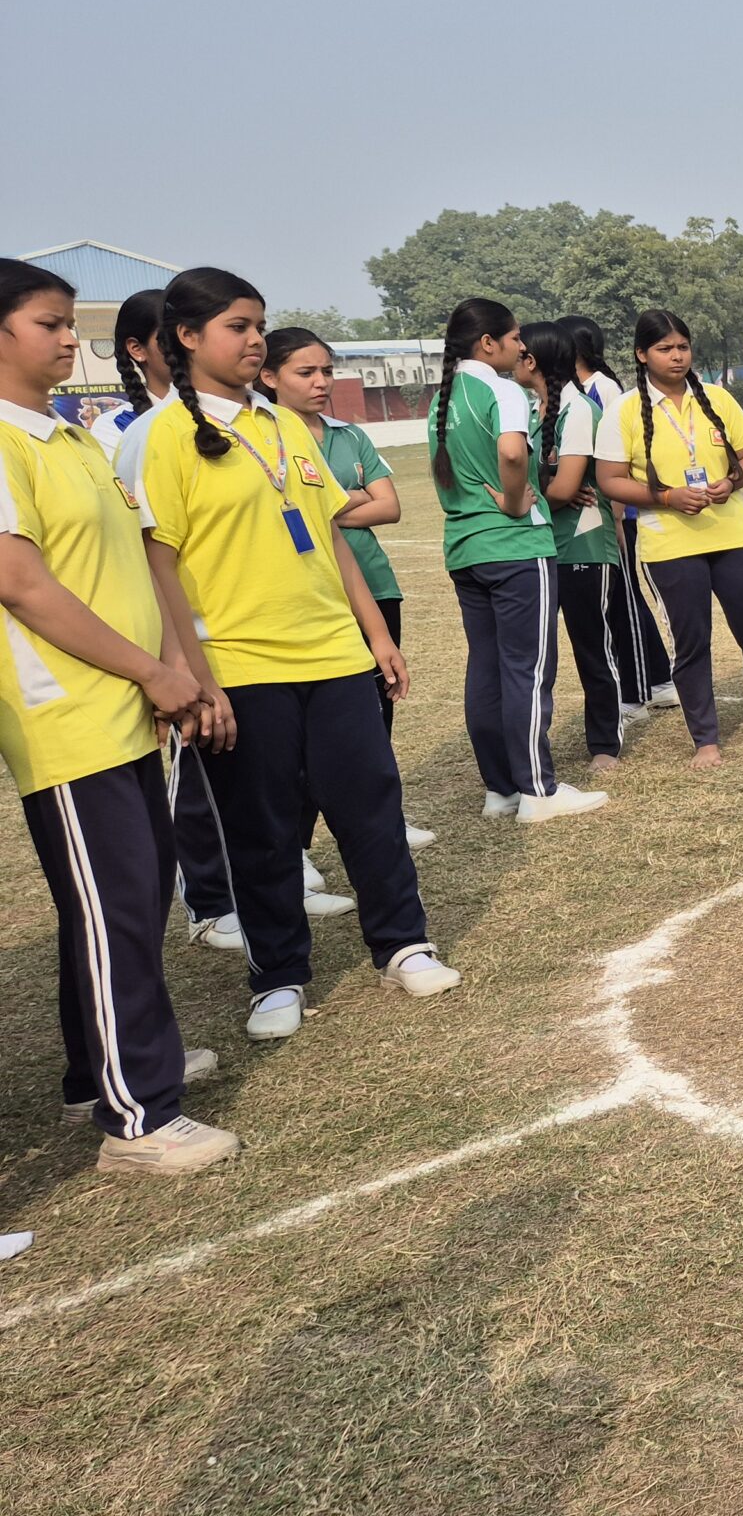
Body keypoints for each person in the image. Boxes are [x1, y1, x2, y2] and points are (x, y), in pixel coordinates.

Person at [139, 267, 460, 1043]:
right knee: (263, 829)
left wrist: (375, 637)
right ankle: (277, 975)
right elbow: (157, 566)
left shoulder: (283, 424)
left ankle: (403, 943)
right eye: (237, 327)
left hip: (334, 657)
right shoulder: (160, 438)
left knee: (371, 806)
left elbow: (328, 538)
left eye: (258, 326)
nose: (254, 341)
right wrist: (194, 680)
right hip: (242, 669)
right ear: (187, 338)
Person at [0, 260, 238, 1174]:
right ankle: (139, 1119)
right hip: (66, 716)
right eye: (49, 323)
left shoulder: (71, 438)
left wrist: (170, 667)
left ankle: (95, 1073)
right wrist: (150, 669)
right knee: (116, 908)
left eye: (71, 324)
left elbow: (134, 563)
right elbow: (20, 585)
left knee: (124, 899)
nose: (71, 339)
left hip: (126, 703)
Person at [99, 288, 249, 953]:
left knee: (247, 764)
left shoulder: (223, 419)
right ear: (141, 349)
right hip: (173, 628)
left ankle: (254, 877)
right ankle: (210, 899)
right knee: (194, 761)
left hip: (235, 621)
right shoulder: (124, 433)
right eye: (167, 337)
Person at [593, 309, 743, 767]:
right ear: (642, 354)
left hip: (733, 535)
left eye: (683, 347)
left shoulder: (716, 397)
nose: (677, 357)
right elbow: (609, 479)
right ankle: (706, 739)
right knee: (692, 643)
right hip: (669, 546)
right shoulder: (625, 410)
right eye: (664, 349)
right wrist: (668, 497)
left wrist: (732, 482)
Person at [259, 327, 435, 869]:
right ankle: (301, 850)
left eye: (326, 371)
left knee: (376, 715)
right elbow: (287, 512)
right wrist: (352, 498)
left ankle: (381, 816)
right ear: (269, 378)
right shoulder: (269, 441)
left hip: (375, 587)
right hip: (317, 596)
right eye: (305, 373)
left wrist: (330, 505)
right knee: (309, 734)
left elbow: (391, 506)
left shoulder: (349, 435)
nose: (320, 383)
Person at [429, 300, 606, 824]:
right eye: (514, 341)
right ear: (488, 343)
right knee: (527, 669)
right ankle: (538, 790)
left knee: (485, 668)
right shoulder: (502, 389)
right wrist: (510, 501)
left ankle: (501, 788)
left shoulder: (443, 396)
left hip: (464, 546)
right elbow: (511, 453)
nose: (520, 350)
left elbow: (444, 469)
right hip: (514, 547)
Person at [515, 320, 627, 777]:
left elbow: (561, 490)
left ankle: (605, 742)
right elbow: (544, 485)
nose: (513, 359)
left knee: (592, 649)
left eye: (520, 352)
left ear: (534, 360)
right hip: (541, 546)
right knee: (540, 657)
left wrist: (531, 492)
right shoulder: (528, 409)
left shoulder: (577, 410)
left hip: (583, 546)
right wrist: (540, 489)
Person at [563, 315, 678, 723]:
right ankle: (655, 681)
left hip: (617, 513)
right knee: (617, 603)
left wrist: (614, 513)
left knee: (625, 600)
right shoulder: (573, 392)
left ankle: (646, 687)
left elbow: (621, 454)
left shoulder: (603, 388)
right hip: (597, 516)